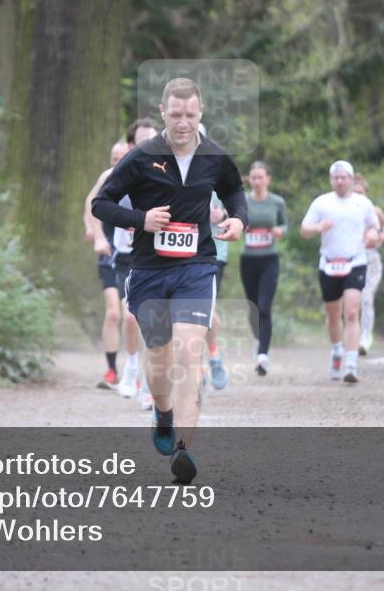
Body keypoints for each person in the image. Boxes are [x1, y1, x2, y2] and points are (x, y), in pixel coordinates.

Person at [92, 78, 246, 484]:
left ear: (201, 112)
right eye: (175, 115)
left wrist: (238, 219)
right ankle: (162, 413)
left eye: (190, 115)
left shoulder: (214, 156)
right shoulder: (141, 157)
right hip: (147, 272)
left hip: (196, 268)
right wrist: (140, 219)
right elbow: (101, 204)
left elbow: (234, 191)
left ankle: (183, 449)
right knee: (158, 360)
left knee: (189, 354)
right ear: (163, 112)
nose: (183, 123)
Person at [300, 161, 379, 383]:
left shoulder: (363, 203)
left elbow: (374, 226)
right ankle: (337, 351)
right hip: (328, 264)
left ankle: (351, 363)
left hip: (355, 262)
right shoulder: (322, 202)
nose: (340, 181)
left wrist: (373, 235)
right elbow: (304, 229)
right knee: (333, 316)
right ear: (331, 180)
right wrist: (318, 227)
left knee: (352, 312)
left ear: (351, 179)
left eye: (344, 177)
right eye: (336, 177)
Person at [111, 119, 161, 404]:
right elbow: (95, 204)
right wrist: (99, 236)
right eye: (142, 142)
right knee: (131, 316)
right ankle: (131, 369)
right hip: (126, 258)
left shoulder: (168, 174)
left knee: (154, 323)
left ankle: (148, 386)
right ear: (131, 145)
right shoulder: (116, 174)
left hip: (156, 258)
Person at [82, 141, 129, 388]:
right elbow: (90, 204)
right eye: (114, 158)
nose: (118, 163)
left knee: (132, 315)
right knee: (113, 312)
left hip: (135, 256)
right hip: (110, 254)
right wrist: (96, 234)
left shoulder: (143, 176)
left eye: (122, 158)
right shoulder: (107, 177)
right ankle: (111, 371)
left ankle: (136, 370)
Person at [239, 161, 288, 376]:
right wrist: (241, 226)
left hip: (269, 259)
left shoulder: (277, 202)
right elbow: (235, 221)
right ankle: (258, 339)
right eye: (253, 177)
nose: (257, 181)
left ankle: (263, 356)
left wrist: (280, 231)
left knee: (264, 306)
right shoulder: (243, 201)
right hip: (248, 260)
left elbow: (285, 225)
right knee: (253, 308)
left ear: (268, 179)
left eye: (260, 177)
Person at [351, 174, 384, 356]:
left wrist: (383, 236)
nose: (357, 196)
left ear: (366, 193)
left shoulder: (374, 210)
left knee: (366, 298)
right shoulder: (345, 211)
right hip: (352, 259)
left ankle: (365, 337)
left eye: (360, 192)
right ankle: (352, 336)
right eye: (354, 192)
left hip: (371, 260)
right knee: (352, 300)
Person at [204, 190, 230, 389]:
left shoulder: (223, 185)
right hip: (182, 257)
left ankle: (214, 357)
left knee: (205, 309)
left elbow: (242, 215)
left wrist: (224, 216)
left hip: (215, 256)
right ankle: (197, 364)